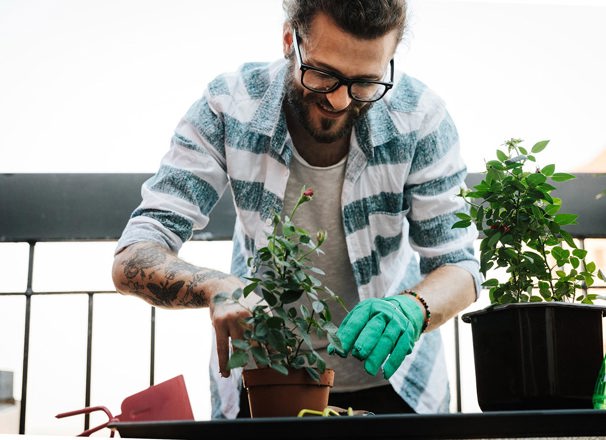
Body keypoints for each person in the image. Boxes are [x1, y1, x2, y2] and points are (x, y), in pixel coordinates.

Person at [112, 0, 481, 418]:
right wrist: (217, 287)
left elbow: (460, 267)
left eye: (364, 83)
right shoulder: (230, 105)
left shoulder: (420, 117)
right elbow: (134, 256)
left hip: (393, 385)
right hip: (267, 385)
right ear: (290, 40)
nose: (340, 101)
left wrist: (411, 309)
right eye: (322, 74)